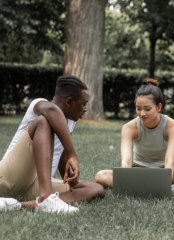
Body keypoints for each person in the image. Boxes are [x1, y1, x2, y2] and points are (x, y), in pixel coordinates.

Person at [0, 75, 105, 214]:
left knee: (95, 189)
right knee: (44, 122)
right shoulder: (40, 104)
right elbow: (52, 110)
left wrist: (71, 181)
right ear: (69, 102)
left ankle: (17, 205)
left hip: (37, 185)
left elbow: (61, 158)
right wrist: (73, 155)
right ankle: (46, 198)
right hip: (8, 179)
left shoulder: (70, 123)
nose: (85, 109)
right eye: (83, 103)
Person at [95, 79, 174, 200]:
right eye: (138, 108)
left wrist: (165, 180)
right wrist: (125, 179)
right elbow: (126, 162)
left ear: (159, 107)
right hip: (140, 172)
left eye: (147, 109)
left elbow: (170, 160)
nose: (142, 113)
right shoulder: (129, 127)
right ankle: (159, 187)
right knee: (101, 176)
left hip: (166, 172)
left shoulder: (172, 125)